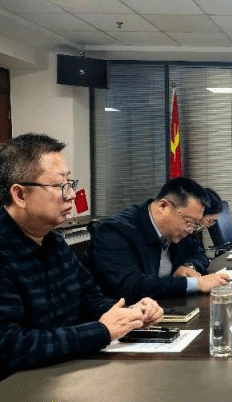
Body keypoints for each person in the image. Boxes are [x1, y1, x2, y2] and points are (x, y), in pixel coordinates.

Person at [0, 133, 163, 379]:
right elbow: (10, 347)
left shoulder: (53, 241)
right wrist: (102, 331)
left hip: (65, 373)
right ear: (20, 195)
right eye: (59, 186)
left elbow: (87, 299)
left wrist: (128, 315)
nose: (71, 195)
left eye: (70, 183)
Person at [86, 178, 229, 303]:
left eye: (194, 224)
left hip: (163, 307)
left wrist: (189, 266)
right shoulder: (115, 231)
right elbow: (132, 286)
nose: (191, 230)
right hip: (123, 316)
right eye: (189, 222)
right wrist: (195, 284)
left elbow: (199, 253)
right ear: (163, 206)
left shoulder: (177, 229)